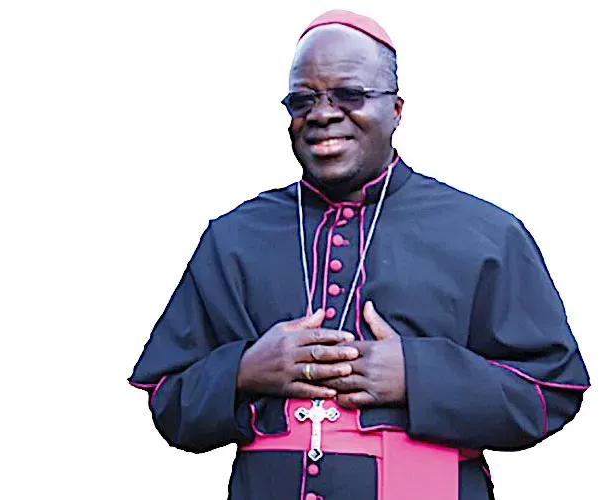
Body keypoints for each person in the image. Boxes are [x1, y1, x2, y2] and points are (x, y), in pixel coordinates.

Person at [128, 9, 590, 500]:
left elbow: (552, 393)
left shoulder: (486, 233)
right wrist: (244, 371)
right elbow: (167, 400)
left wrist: (418, 375)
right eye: (303, 100)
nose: (323, 114)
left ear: (396, 109)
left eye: (349, 95)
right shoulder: (234, 236)